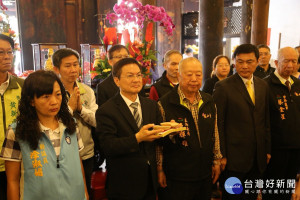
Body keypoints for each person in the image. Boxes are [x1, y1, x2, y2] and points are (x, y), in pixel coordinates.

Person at [0, 70, 87, 200]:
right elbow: (12, 181)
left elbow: (78, 167)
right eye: (46, 97)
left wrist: (85, 194)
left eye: (58, 94)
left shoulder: (70, 125)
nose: (54, 102)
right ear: (31, 101)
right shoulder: (17, 132)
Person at [96, 58, 163, 199]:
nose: (136, 80)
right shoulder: (106, 110)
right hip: (124, 183)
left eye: (138, 75)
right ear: (117, 81)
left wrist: (170, 130)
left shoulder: (151, 105)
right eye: (130, 76)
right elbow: (108, 146)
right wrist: (137, 138)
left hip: (150, 180)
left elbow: (158, 140)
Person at [157, 57, 223, 200]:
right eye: (189, 74)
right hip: (177, 175)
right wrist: (160, 168)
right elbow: (159, 142)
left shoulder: (208, 100)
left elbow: (214, 133)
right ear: (179, 75)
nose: (194, 79)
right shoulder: (165, 103)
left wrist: (216, 160)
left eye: (198, 75)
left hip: (204, 172)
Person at [213, 44, 271, 200]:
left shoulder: (263, 85)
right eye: (240, 61)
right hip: (233, 160)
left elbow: (265, 120)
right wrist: (221, 155)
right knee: (233, 196)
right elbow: (218, 123)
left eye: (249, 61)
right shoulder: (223, 87)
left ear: (258, 61)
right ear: (234, 61)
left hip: (257, 157)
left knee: (250, 196)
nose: (244, 66)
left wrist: (267, 149)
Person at [53, 48, 98, 197]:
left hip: (86, 152)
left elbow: (97, 120)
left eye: (75, 64)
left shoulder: (87, 91)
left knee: (85, 192)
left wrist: (81, 109)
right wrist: (70, 108)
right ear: (56, 69)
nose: (73, 69)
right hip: (60, 154)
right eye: (67, 66)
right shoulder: (51, 93)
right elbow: (53, 122)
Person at [263, 47, 300, 200]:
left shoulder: (298, 84)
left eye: (294, 61)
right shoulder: (265, 85)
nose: (290, 65)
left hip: (295, 148)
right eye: (286, 61)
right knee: (272, 190)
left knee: (287, 190)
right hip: (275, 150)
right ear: (277, 62)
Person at [0, 34, 24, 200]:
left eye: (9, 51)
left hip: (17, 162)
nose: (7, 56)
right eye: (1, 52)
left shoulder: (22, 85)